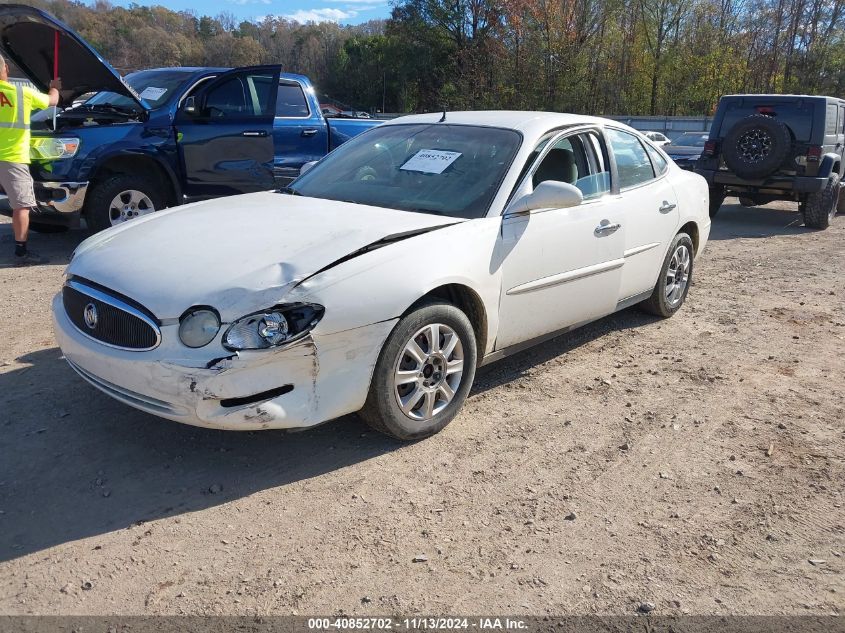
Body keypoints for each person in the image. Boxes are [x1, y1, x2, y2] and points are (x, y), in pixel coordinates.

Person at [0, 53, 60, 265]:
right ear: (6, 68)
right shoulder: (21, 93)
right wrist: (54, 86)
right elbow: (52, 101)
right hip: (13, 159)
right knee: (21, 206)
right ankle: (21, 253)